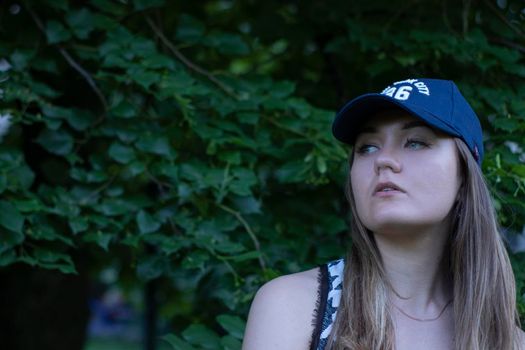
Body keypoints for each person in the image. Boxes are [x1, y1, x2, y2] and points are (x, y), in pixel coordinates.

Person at [242, 78, 525, 350]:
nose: (383, 160)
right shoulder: (293, 308)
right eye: (367, 147)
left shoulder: (511, 343)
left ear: (464, 177)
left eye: (415, 142)